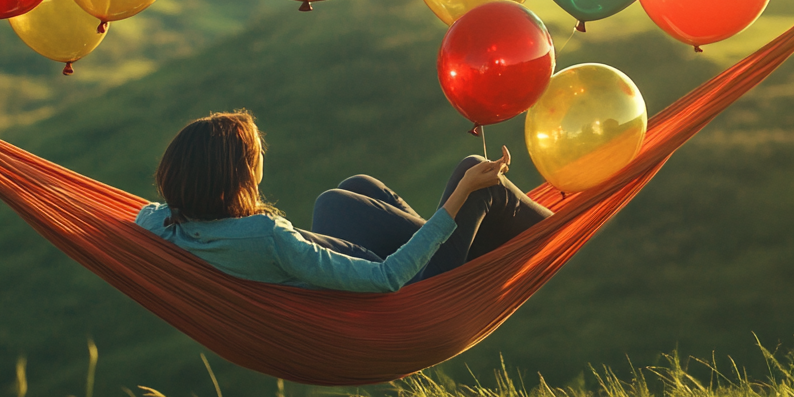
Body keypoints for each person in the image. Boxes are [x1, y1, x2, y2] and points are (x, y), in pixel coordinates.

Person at [135, 110, 552, 293]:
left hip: (358, 265)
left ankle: (466, 245)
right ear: (239, 174)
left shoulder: (165, 225)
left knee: (346, 193)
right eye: (256, 153)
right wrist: (461, 196)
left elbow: (142, 213)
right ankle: (558, 230)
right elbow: (387, 279)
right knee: (474, 171)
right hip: (408, 293)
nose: (263, 155)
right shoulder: (266, 236)